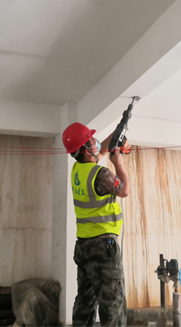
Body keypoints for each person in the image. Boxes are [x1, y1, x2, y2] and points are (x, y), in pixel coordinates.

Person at [62, 122, 129, 327]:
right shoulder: (101, 174)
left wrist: (118, 131)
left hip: (84, 247)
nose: (95, 141)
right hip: (103, 249)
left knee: (85, 301)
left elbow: (100, 151)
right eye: (91, 140)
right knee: (113, 304)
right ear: (84, 149)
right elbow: (124, 190)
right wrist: (118, 163)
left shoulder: (78, 170)